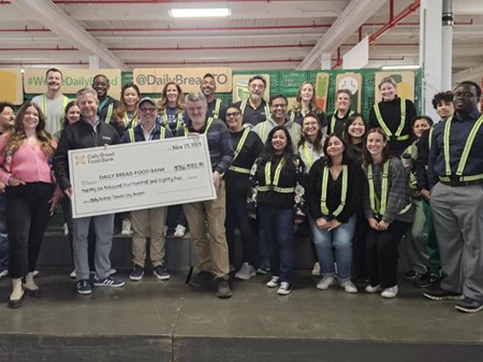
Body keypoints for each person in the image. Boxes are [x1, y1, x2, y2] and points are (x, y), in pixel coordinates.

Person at [54, 88, 124, 295]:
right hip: (79, 193)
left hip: (106, 193)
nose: (86, 106)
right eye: (82, 103)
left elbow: (121, 160)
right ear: (79, 105)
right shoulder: (70, 132)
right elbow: (59, 162)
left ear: (96, 103)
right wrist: (66, 184)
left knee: (104, 235)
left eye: (90, 102)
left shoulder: (111, 131)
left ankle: (102, 274)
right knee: (81, 236)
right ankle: (83, 277)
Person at [424, 81, 483, 313]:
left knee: (475, 244)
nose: (460, 97)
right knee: (448, 242)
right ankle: (452, 284)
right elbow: (432, 158)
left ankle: (475, 292)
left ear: (477, 98)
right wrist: (433, 187)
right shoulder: (442, 127)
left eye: (467, 94)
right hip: (443, 191)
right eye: (457, 93)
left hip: (473, 190)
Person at [0, 102, 62, 308]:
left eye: (35, 114)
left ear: (40, 118)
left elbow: (59, 167)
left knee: (35, 238)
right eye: (27, 113)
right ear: (20, 116)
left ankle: (29, 277)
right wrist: (8, 178)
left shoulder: (48, 140)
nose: (31, 116)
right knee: (19, 239)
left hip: (44, 194)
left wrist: (57, 193)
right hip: (19, 193)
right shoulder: (7, 139)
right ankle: (17, 283)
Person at [177, 92, 234, 299]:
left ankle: (222, 277)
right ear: (186, 109)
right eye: (191, 109)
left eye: (199, 108)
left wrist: (218, 172)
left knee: (217, 232)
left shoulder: (218, 126)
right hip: (190, 187)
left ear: (206, 108)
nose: (196, 112)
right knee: (197, 232)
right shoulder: (181, 129)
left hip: (214, 185)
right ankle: (206, 269)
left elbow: (229, 153)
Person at [248, 126, 306, 295]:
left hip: (285, 209)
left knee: (284, 242)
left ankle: (287, 279)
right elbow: (253, 182)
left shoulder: (294, 161)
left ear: (287, 141)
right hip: (265, 207)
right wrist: (252, 206)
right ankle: (275, 274)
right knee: (269, 241)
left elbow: (301, 186)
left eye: (281, 137)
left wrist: (299, 211)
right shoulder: (261, 159)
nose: (277, 140)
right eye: (274, 137)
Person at [122, 97, 173, 281]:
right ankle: (138, 264)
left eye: (151, 109)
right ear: (138, 112)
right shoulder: (129, 135)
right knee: (139, 230)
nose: (148, 113)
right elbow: (121, 161)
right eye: (144, 109)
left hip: (159, 190)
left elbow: (173, 159)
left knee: (158, 229)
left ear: (157, 112)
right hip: (138, 191)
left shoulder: (166, 133)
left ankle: (158, 263)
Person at [362, 128, 414, 299]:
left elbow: (397, 194)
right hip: (376, 216)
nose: (373, 144)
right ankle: (375, 281)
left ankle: (390, 284)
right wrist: (370, 217)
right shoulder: (365, 166)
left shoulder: (395, 164)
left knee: (384, 245)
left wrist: (386, 220)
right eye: (370, 141)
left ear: (384, 143)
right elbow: (364, 195)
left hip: (399, 216)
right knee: (370, 245)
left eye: (378, 141)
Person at [307, 134, 362, 293]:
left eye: (336, 143)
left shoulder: (354, 167)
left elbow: (356, 196)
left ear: (344, 146)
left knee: (342, 243)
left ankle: (345, 278)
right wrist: (318, 217)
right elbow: (310, 193)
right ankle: (328, 275)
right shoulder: (318, 166)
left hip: (345, 214)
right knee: (321, 241)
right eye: (329, 144)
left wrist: (341, 219)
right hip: (321, 215)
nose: (332, 146)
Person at [414, 91, 454, 288]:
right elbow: (420, 163)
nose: (443, 108)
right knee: (431, 234)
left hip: (459, 190)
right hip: (433, 192)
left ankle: (457, 275)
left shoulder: (463, 131)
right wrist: (423, 188)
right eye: (439, 105)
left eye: (447, 103)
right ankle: (435, 271)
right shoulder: (429, 135)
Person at [224, 104, 264, 280]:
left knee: (246, 228)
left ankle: (249, 263)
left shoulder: (252, 137)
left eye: (235, 114)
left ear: (241, 116)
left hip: (245, 192)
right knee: (226, 229)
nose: (232, 118)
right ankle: (228, 261)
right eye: (229, 115)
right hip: (223, 191)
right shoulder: (222, 136)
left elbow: (262, 162)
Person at [400, 116, 433, 282]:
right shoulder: (409, 149)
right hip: (410, 196)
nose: (420, 128)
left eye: (424, 125)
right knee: (408, 233)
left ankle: (431, 268)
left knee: (419, 233)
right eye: (417, 125)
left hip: (425, 195)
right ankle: (417, 267)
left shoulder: (435, 146)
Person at [158, 82, 188, 237]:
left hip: (181, 155)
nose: (171, 93)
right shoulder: (158, 111)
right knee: (166, 191)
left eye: (174, 90)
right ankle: (165, 223)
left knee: (182, 191)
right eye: (168, 90)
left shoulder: (185, 110)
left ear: (179, 93)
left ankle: (181, 223)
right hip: (163, 157)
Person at [298, 113, 325, 276]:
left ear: (319, 125)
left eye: (313, 123)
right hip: (309, 192)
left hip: (329, 189)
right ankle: (318, 261)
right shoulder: (299, 146)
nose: (310, 126)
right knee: (314, 230)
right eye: (306, 124)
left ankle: (333, 262)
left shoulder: (328, 141)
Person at [343, 113, 368, 282]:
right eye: (353, 124)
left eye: (360, 124)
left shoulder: (371, 145)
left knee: (365, 235)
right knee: (352, 236)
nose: (357, 127)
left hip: (369, 197)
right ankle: (351, 272)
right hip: (349, 197)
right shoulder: (342, 147)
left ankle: (365, 271)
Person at [368, 77, 417, 157]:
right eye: (383, 89)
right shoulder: (375, 109)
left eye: (389, 88)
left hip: (406, 149)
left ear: (395, 89)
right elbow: (371, 130)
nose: (387, 91)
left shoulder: (408, 104)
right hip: (384, 150)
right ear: (380, 91)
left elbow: (413, 126)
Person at [0, 102, 15, 280]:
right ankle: (4, 265)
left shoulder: (18, 137)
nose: (12, 116)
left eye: (13, 113)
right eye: (7, 113)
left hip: (17, 191)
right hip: (3, 191)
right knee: (2, 231)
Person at [31, 68, 70, 135]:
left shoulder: (69, 103)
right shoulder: (36, 101)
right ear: (45, 81)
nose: (54, 80)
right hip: (41, 142)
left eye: (57, 78)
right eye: (51, 78)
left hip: (62, 142)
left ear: (62, 82)